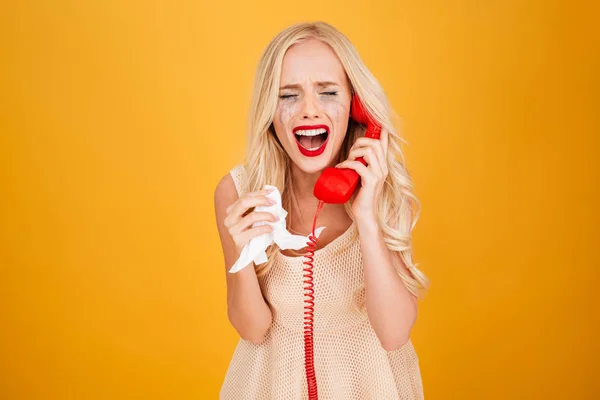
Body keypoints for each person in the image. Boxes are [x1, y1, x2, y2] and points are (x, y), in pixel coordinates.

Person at [214, 21, 430, 400]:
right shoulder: (237, 192)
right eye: (288, 96)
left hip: (369, 386)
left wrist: (366, 217)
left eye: (328, 92)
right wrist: (244, 252)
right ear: (268, 107)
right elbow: (252, 328)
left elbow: (394, 333)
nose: (309, 111)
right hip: (270, 385)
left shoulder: (381, 183)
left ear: (355, 106)